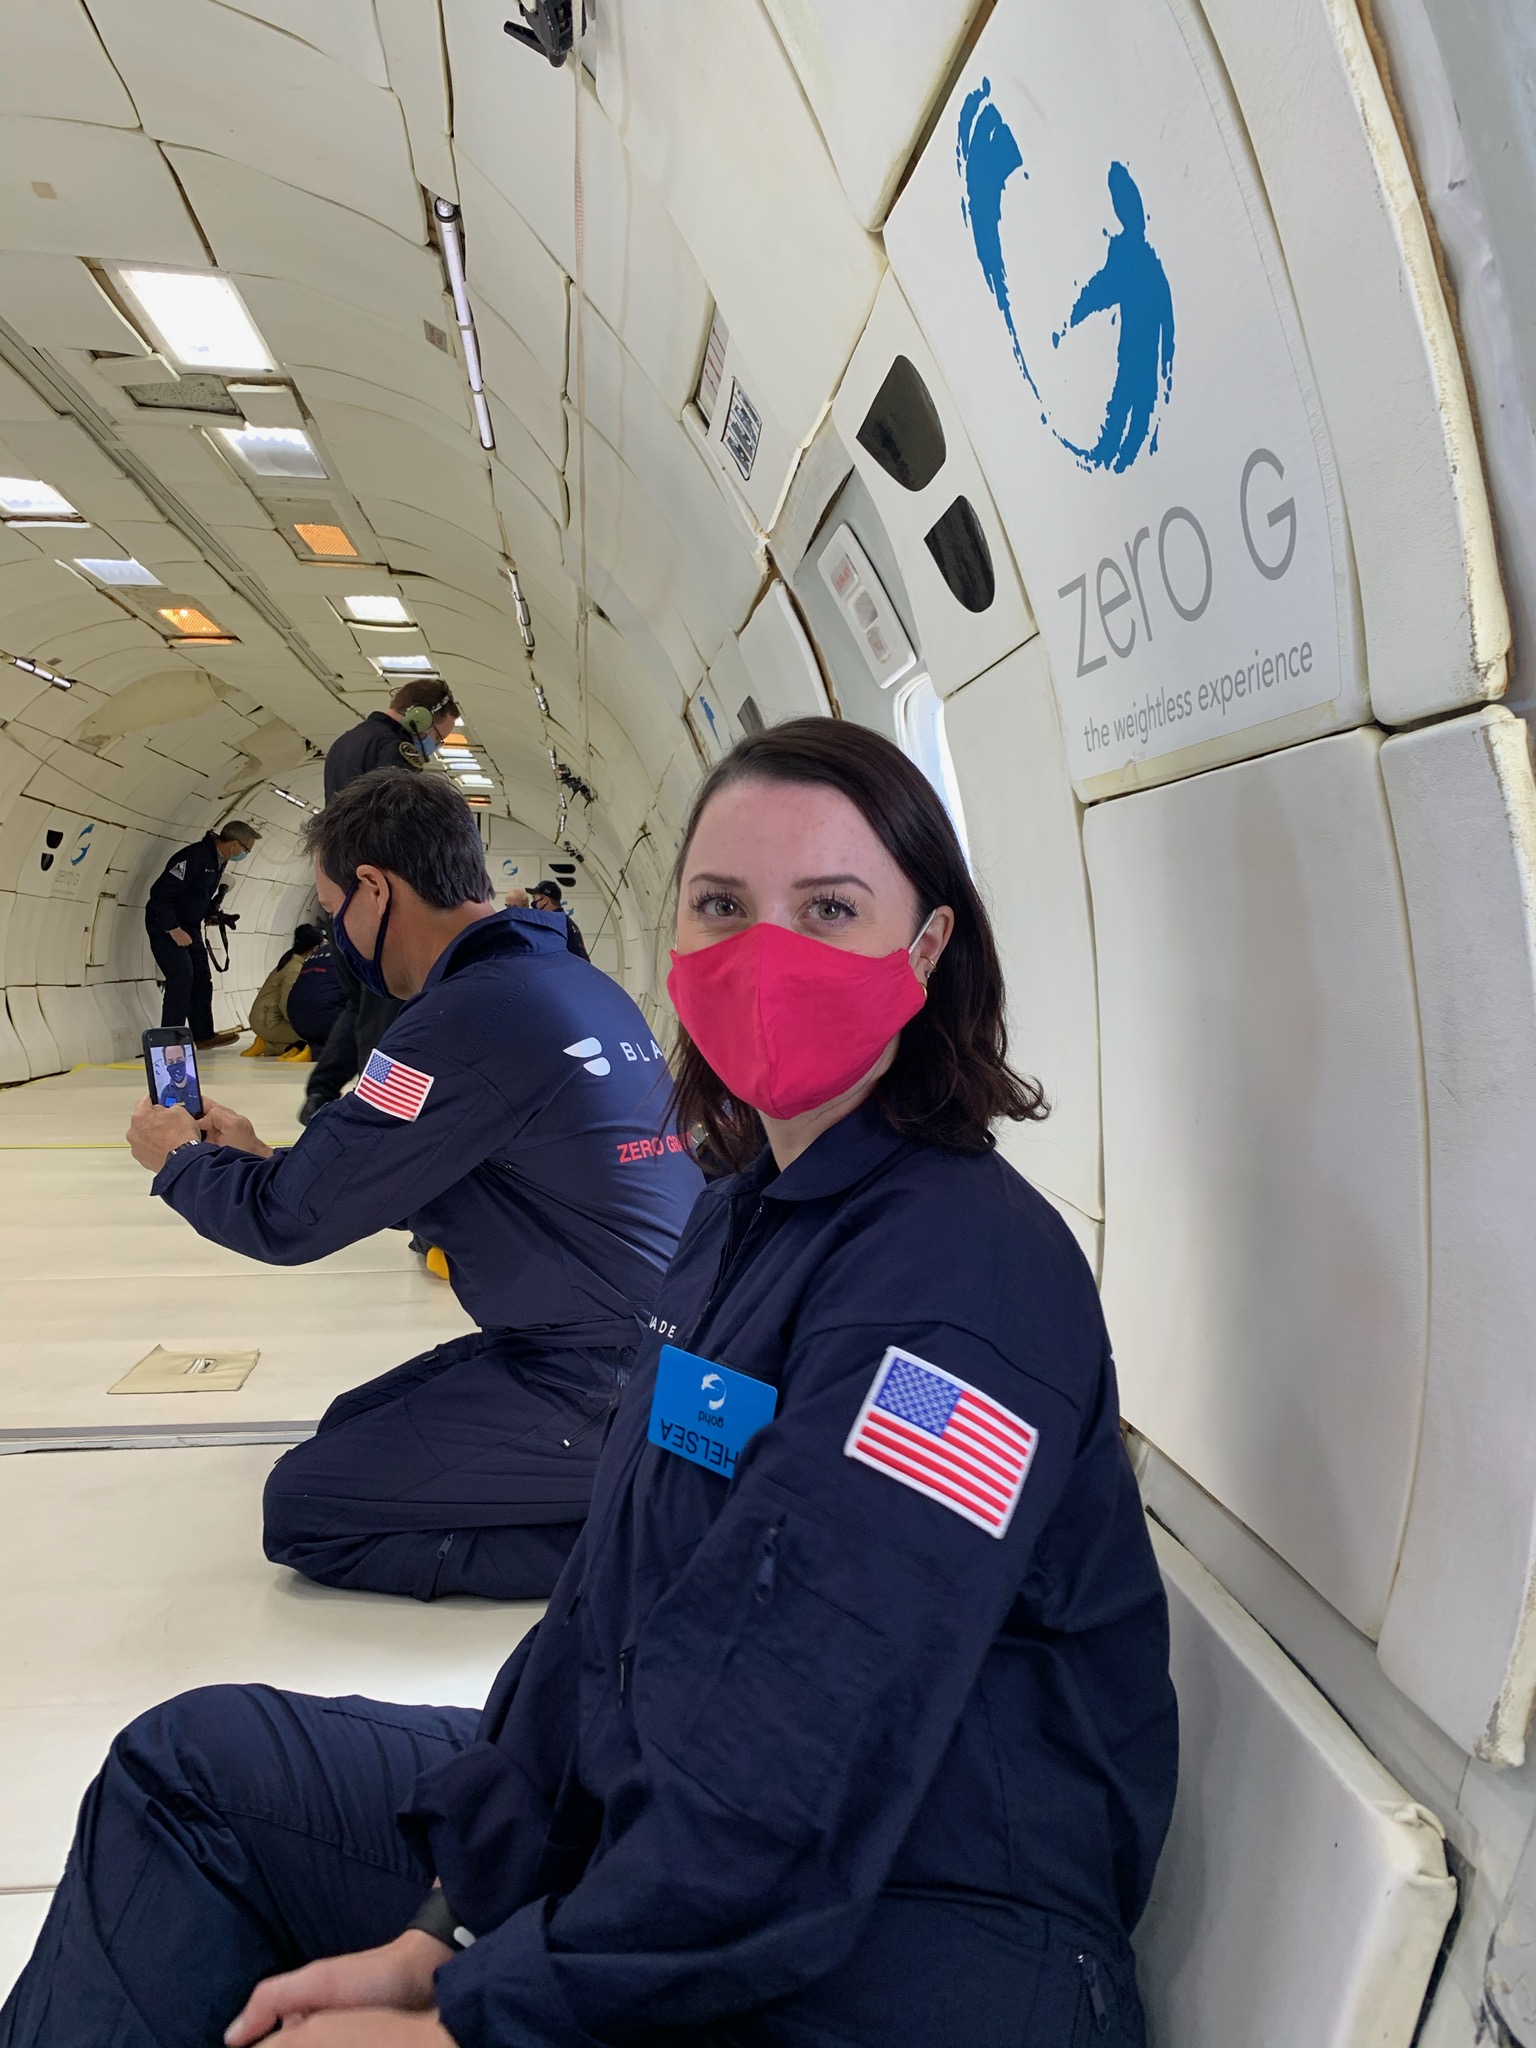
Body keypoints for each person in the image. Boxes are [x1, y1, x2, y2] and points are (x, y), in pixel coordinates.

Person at [6, 719, 1177, 2048]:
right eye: (722, 905)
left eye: (829, 908)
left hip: (916, 1943)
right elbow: (608, 1599)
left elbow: (808, 1748)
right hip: (671, 1826)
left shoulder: (960, 1290)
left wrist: (473, 2019)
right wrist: (447, 1916)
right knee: (194, 1774)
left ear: (929, 945)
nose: (766, 953)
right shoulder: (738, 1216)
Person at [122, 768, 702, 1603]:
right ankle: (644, 1491)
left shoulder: (462, 1018)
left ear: (374, 887)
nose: (338, 935)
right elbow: (390, 1172)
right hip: (656, 1338)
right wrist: (253, 1155)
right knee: (349, 1425)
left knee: (308, 1509)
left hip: (606, 1371)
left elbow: (289, 1224)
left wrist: (180, 1162)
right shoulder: (574, 984)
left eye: (334, 911)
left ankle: (671, 1546)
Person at [305, 683, 463, 1123]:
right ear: (418, 716)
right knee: (388, 1006)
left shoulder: (344, 744)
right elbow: (401, 831)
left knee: (360, 1002)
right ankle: (379, 1109)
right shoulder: (394, 750)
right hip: (376, 900)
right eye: (438, 733)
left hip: (342, 894)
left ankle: (320, 1090)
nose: (435, 743)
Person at [143, 818, 261, 1050]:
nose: (245, 854)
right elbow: (160, 894)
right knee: (181, 976)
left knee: (201, 977)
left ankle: (203, 1035)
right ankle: (169, 1040)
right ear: (235, 844)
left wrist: (214, 914)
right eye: (246, 850)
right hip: (166, 923)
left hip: (190, 925)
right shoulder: (194, 857)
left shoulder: (218, 861)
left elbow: (197, 896)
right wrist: (172, 929)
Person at [247, 923, 325, 1054]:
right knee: (316, 1036)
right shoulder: (294, 969)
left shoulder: (291, 961)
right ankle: (268, 1046)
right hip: (269, 1023)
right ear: (314, 948)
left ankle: (268, 1044)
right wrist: (302, 1025)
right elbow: (287, 1003)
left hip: (264, 1019)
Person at [284, 928, 346, 1054]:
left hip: (297, 1024)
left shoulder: (316, 955)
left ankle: (312, 1048)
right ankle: (316, 1051)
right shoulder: (354, 953)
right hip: (327, 1020)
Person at [528, 875, 589, 960]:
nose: (533, 903)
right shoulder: (565, 921)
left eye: (534, 898)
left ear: (545, 900)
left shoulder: (553, 923)